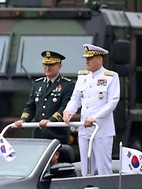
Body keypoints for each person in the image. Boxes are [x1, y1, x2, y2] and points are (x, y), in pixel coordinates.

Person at [62, 44, 120, 176]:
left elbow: (112, 102)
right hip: (84, 128)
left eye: (90, 58)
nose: (86, 61)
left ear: (99, 59)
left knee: (103, 167)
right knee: (86, 168)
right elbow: (75, 98)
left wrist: (95, 118)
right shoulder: (83, 76)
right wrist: (68, 111)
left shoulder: (110, 77)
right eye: (86, 58)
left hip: (101, 129)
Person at [14, 50, 75, 143]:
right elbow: (30, 106)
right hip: (39, 134)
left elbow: (65, 107)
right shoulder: (37, 84)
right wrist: (23, 120)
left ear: (59, 66)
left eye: (51, 65)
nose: (47, 68)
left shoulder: (67, 85)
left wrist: (50, 121)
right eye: (45, 65)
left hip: (57, 134)